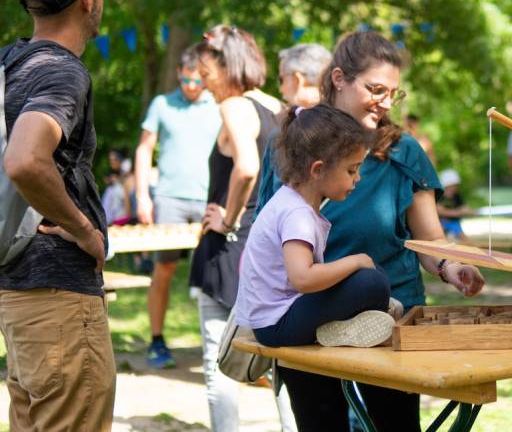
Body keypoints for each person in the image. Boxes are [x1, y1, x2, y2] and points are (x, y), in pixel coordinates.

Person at [268, 31, 485, 432]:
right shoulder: (292, 142)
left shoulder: (404, 150)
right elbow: (270, 230)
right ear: (338, 79)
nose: (385, 102)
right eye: (376, 89)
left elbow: (429, 239)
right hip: (308, 317)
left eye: (393, 94)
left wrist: (449, 267)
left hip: (389, 316)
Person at [0, 0, 120, 430]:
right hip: (57, 300)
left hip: (18, 297)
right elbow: (25, 160)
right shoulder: (61, 73)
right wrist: (83, 229)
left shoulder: (10, 63)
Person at [236, 104, 395, 353]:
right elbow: (303, 279)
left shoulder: (292, 203)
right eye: (351, 170)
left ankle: (350, 322)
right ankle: (343, 326)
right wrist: (355, 261)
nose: (358, 178)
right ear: (318, 169)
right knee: (371, 282)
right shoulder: (297, 214)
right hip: (277, 325)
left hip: (280, 317)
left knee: (373, 274)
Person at [189, 24, 282, 432]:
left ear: (228, 67)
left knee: (219, 363)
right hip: (271, 245)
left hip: (230, 247)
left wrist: (228, 218)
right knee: (282, 363)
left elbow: (246, 166)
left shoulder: (234, 106)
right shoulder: (277, 107)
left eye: (207, 74)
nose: (204, 84)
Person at [135, 43, 221, 369]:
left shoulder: (219, 104)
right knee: (164, 269)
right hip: (169, 198)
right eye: (186, 80)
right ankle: (157, 341)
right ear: (178, 74)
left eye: (198, 81)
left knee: (217, 271)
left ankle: (221, 346)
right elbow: (145, 149)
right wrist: (142, 195)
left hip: (209, 199)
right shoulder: (162, 104)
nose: (192, 86)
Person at [257, 43, 332, 215]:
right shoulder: (345, 126)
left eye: (281, 79)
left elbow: (268, 202)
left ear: (298, 79)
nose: (281, 89)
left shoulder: (287, 134)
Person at [436, 169, 472, 239]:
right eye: (452, 186)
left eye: (455, 186)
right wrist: (457, 212)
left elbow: (464, 208)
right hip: (440, 223)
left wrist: (468, 211)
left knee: (464, 239)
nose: (454, 188)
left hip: (454, 222)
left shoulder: (456, 196)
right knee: (440, 238)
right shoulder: (439, 195)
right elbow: (440, 211)